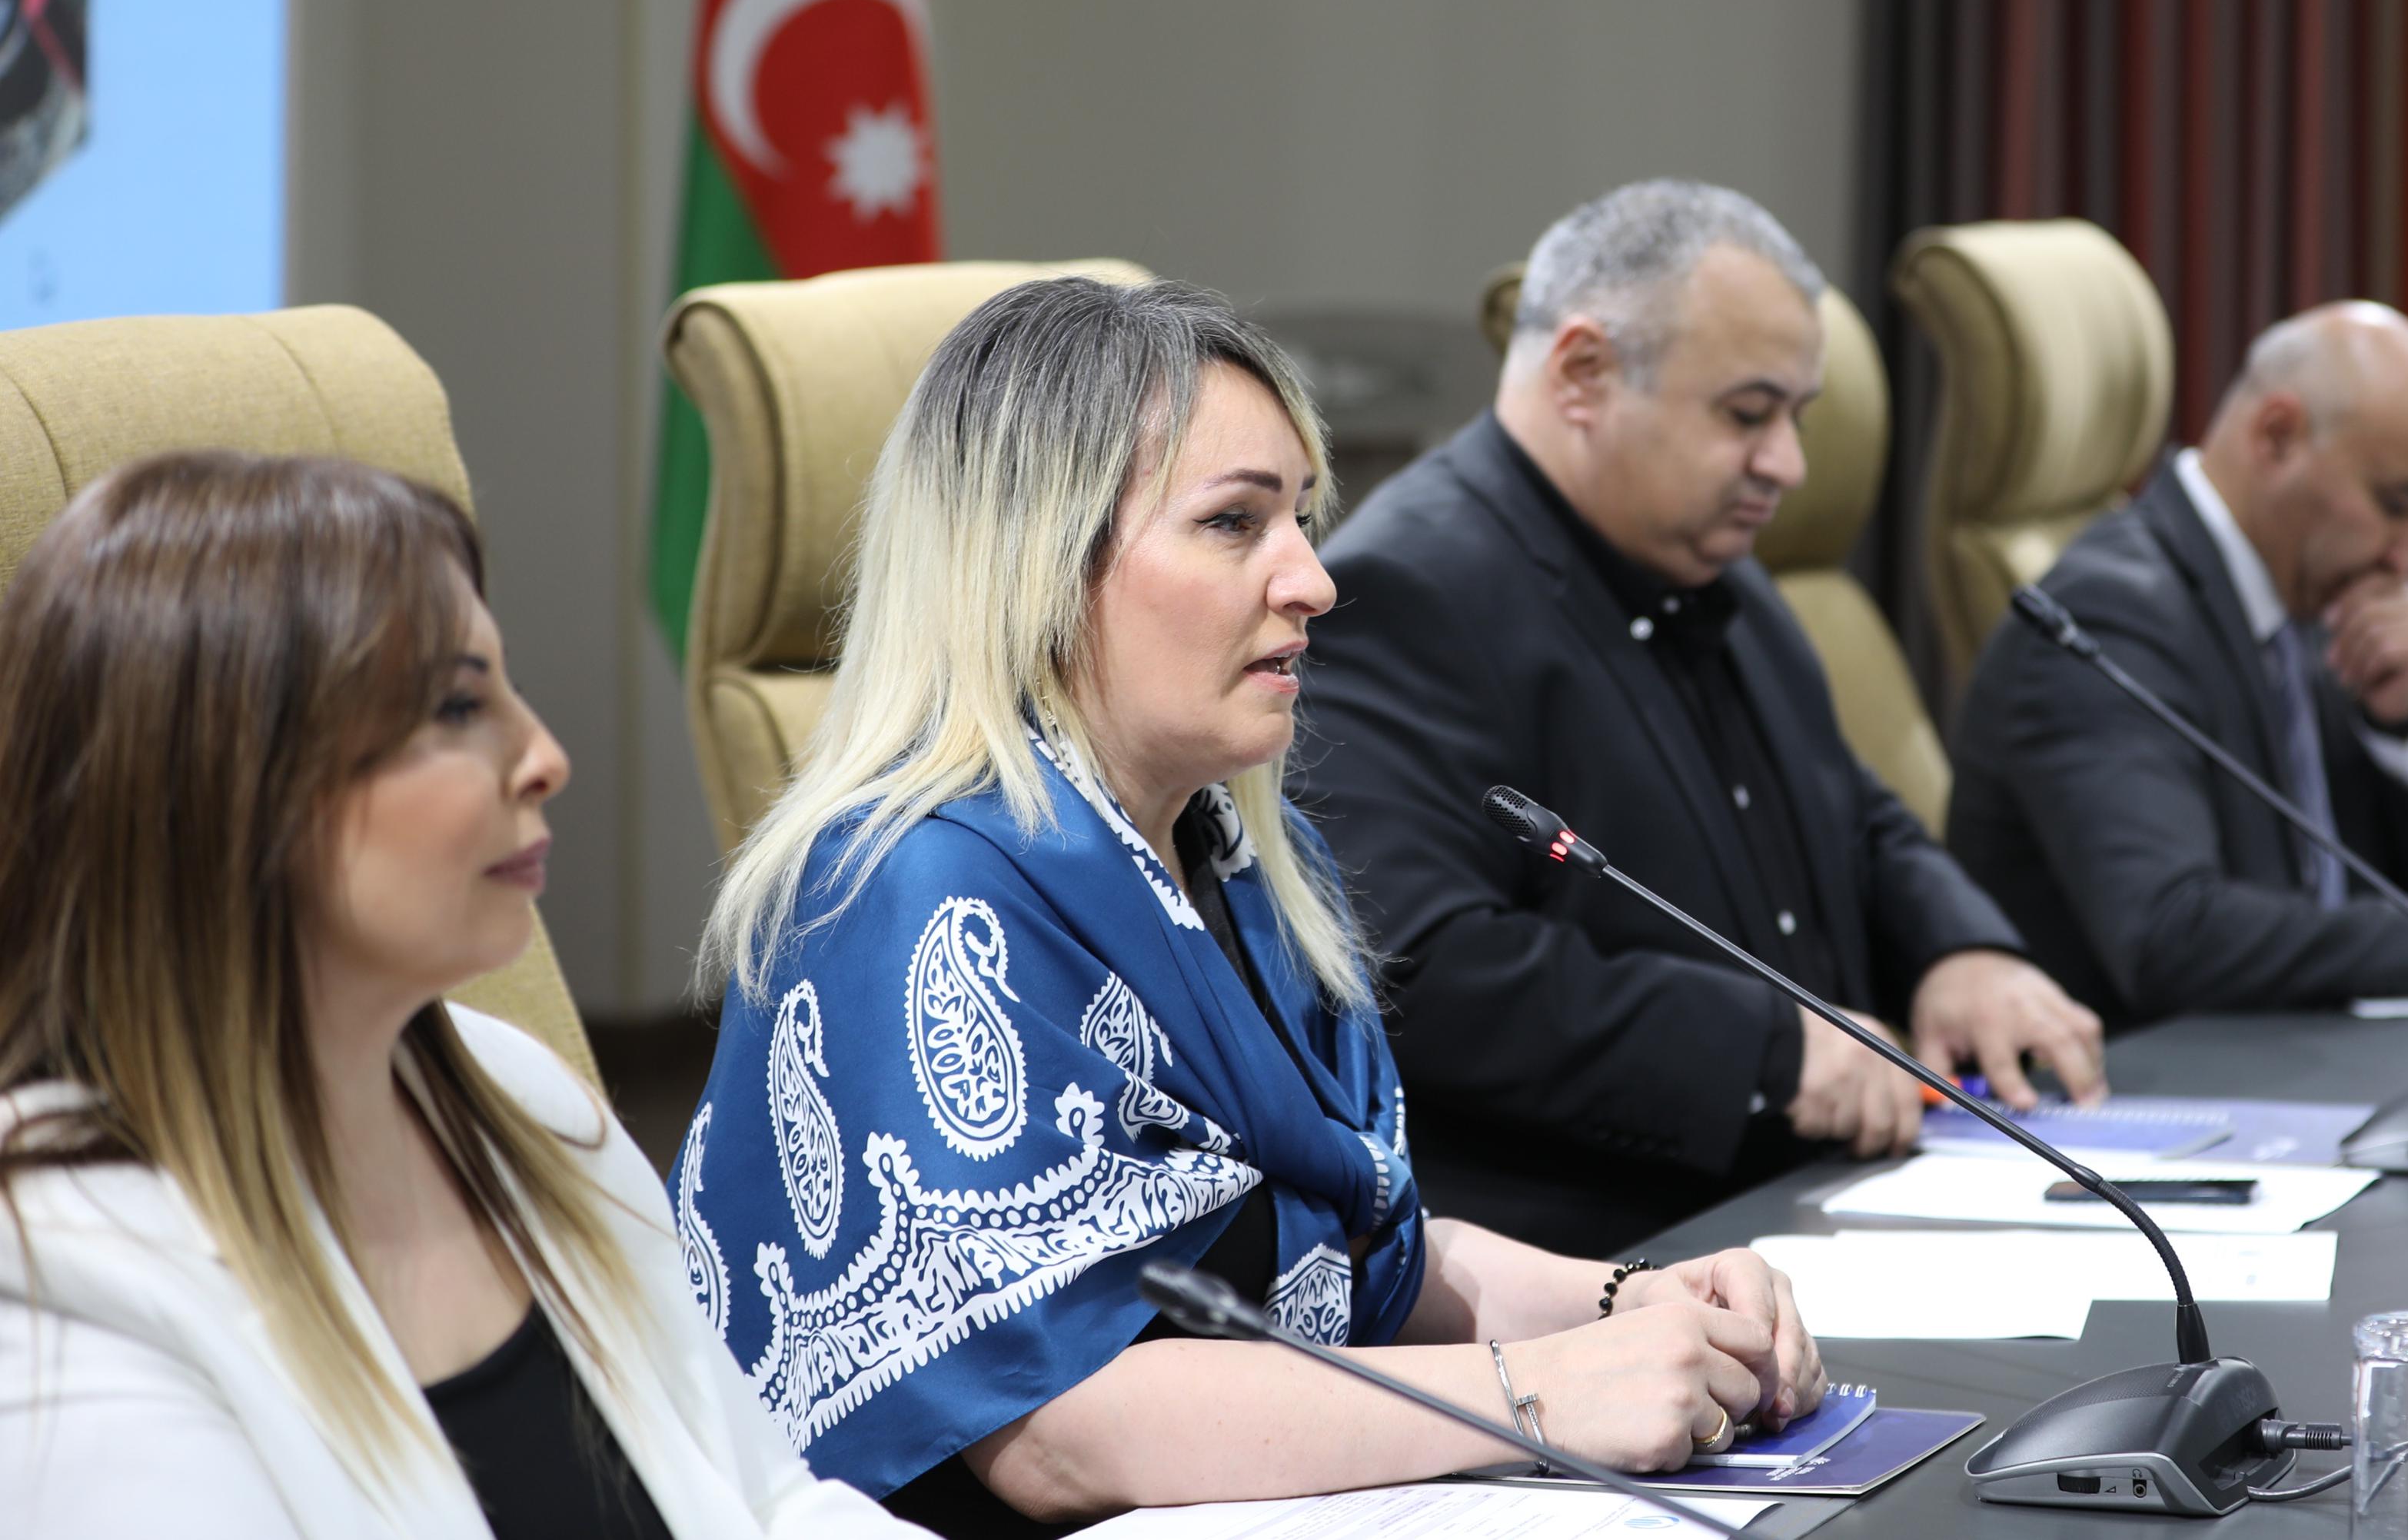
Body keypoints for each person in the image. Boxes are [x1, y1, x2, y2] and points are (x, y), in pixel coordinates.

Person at [685, 274, 1823, 1533]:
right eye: (1234, 522)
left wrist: (1633, 1300)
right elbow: (1054, 1427)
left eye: (1302, 518)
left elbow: (1367, 1258)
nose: (1314, 579)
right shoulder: (914, 891)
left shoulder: (1245, 859)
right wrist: (1533, 1393)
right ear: (1035, 563)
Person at [0, 451, 917, 1538]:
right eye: (455, 704)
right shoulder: (57, 1279)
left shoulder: (522, 1099)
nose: (544, 757)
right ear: (224, 780)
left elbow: (771, 1503)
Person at [1296, 181, 2107, 1258]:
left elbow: (1850, 809)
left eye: (1797, 417)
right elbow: (1420, 968)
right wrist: (1771, 1052)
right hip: (1615, 1248)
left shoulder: (1716, 567)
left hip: (1826, 1197)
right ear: (1583, 373)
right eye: (1747, 413)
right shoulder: (1406, 591)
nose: (1789, 464)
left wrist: (1961, 949)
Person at [1944, 303, 2408, 1026]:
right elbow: (2172, 935)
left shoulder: (2312, 595)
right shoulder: (2111, 615)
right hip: (2136, 1078)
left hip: (2306, 1054)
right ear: (2277, 437)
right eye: (2396, 505)